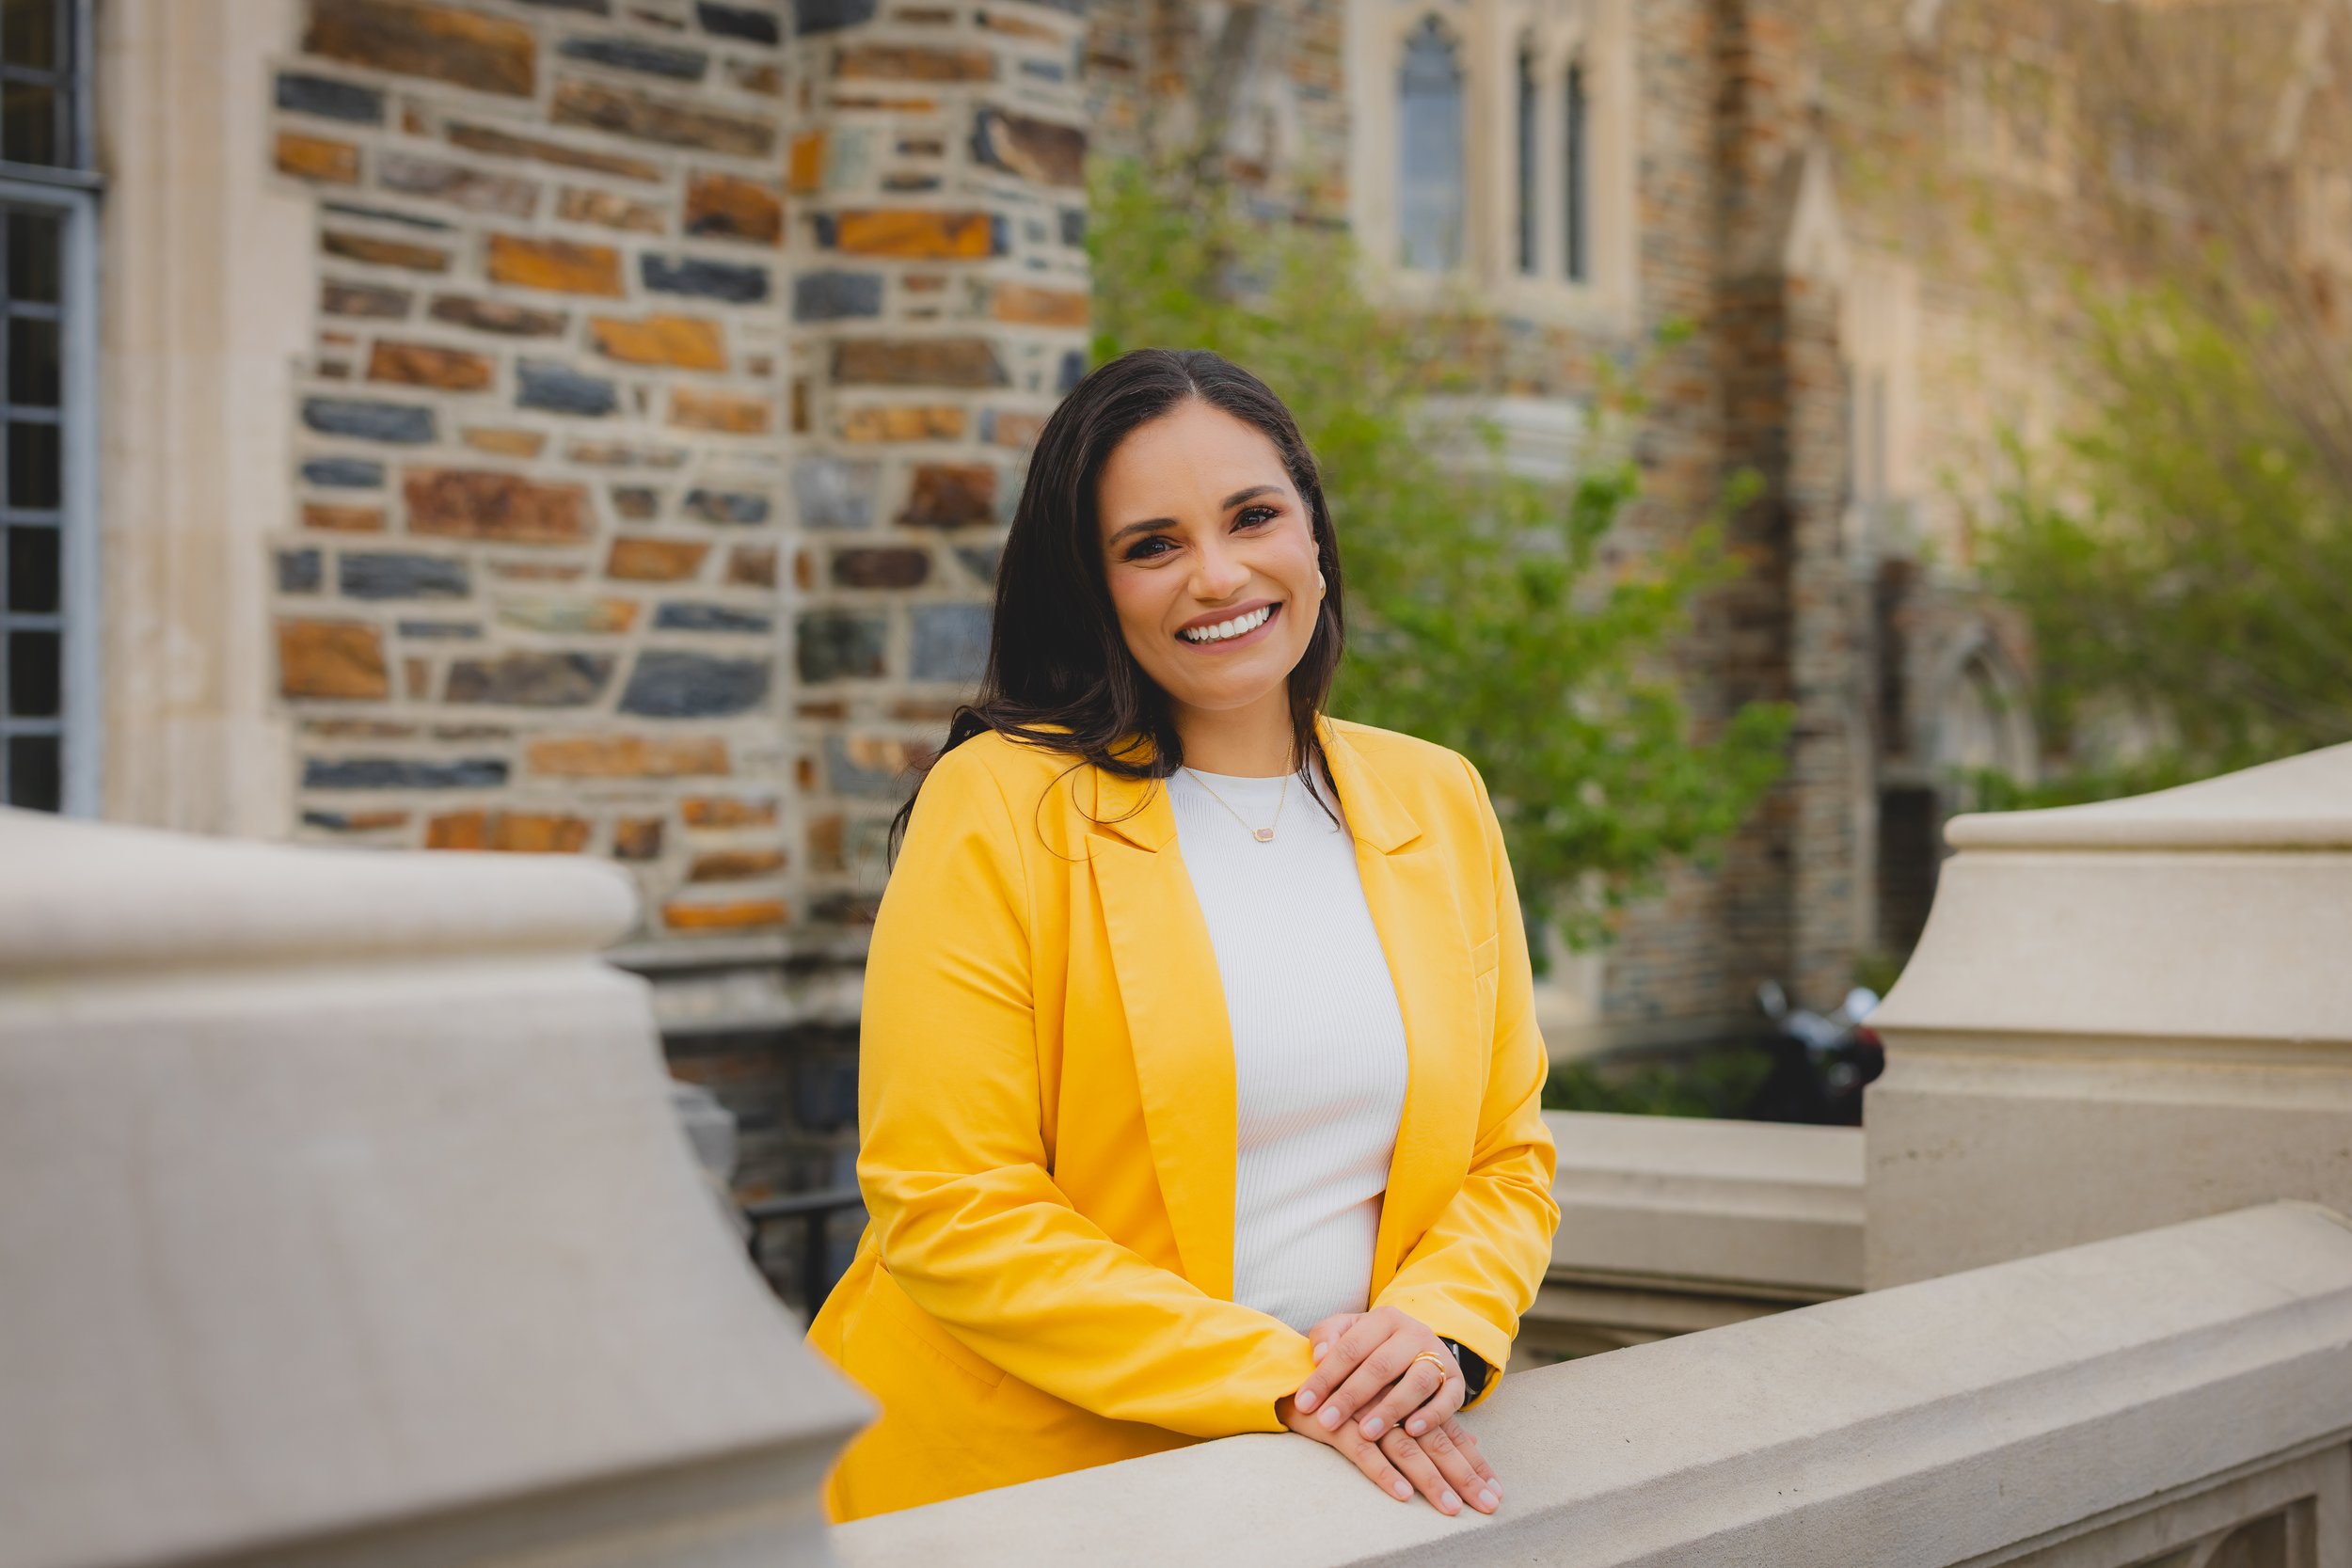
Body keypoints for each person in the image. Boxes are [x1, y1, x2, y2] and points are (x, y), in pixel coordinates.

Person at [805, 347, 1560, 1524]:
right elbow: (950, 1201)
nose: (1217, 575)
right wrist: (1287, 1380)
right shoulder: (1003, 801)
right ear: (1091, 585)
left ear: (1312, 531)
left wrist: (1443, 1330)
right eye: (1150, 544)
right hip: (1031, 1486)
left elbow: (1505, 1157)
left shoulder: (1436, 797)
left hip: (1336, 1479)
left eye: (1252, 515)